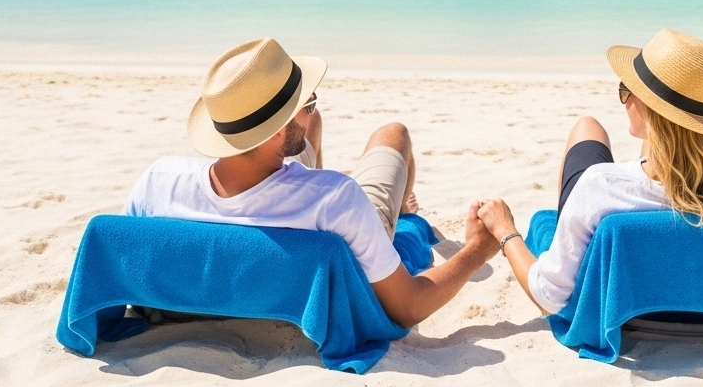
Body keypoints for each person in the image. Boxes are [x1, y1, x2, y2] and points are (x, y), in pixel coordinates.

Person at [123, 37, 498, 327]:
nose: (310, 109)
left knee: (312, 129)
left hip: (244, 231)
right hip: (333, 217)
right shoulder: (337, 198)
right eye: (308, 103)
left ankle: (305, 170)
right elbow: (408, 307)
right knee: (392, 133)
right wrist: (477, 250)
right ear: (277, 130)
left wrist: (304, 121)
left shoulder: (157, 182)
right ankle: (399, 212)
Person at [475, 28, 703, 315]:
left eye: (627, 90)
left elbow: (550, 298)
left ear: (650, 110)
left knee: (587, 127)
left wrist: (505, 232)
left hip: (628, 313)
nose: (624, 101)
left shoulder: (601, 185)